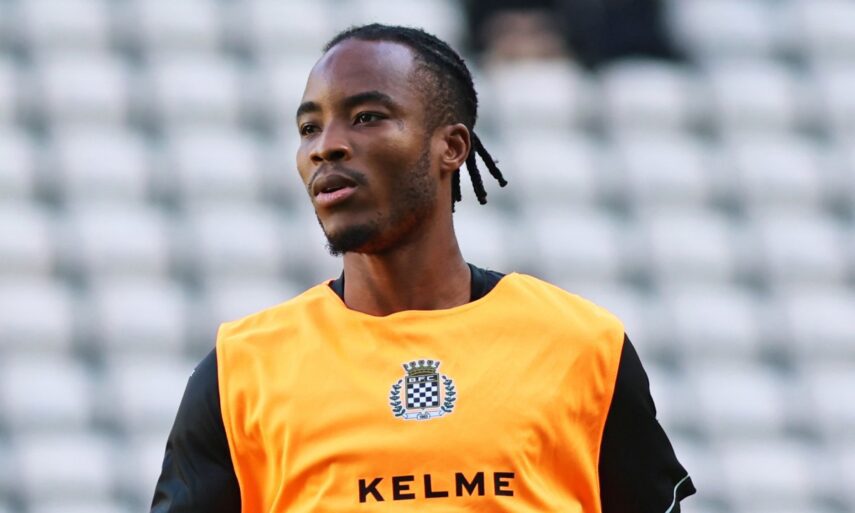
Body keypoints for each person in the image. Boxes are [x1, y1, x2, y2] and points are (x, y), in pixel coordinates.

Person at [151, 24, 695, 512]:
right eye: (309, 128)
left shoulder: (583, 346)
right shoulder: (240, 369)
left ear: (451, 147)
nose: (326, 147)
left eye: (366, 117)